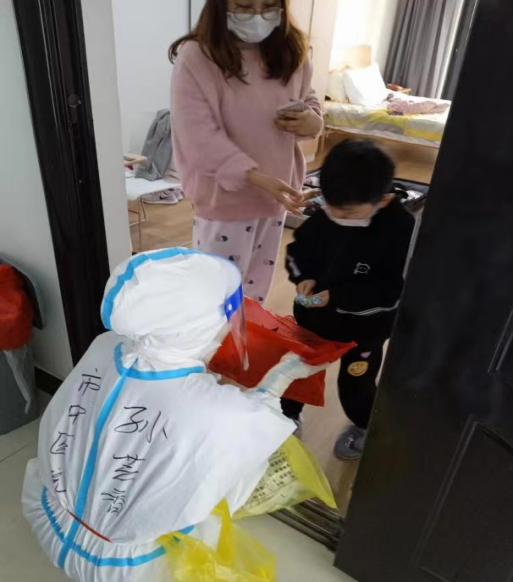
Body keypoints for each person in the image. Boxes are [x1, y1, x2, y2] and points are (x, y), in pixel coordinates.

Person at [22, 249, 297, 582]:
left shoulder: (106, 345)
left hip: (48, 517)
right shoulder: (222, 411)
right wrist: (273, 389)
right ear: (202, 324)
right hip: (128, 569)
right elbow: (243, 461)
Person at [170, 0, 323, 303]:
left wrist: (313, 121)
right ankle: (218, 335)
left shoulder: (291, 50)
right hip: (225, 199)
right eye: (244, 6)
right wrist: (258, 178)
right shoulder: (197, 56)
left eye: (269, 6)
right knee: (215, 294)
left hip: (276, 197)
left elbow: (309, 98)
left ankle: (245, 333)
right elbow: (197, 136)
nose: (258, 16)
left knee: (254, 294)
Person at [282, 140, 416, 460]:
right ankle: (287, 415)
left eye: (347, 213)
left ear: (383, 200)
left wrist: (339, 297)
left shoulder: (402, 229)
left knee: (357, 381)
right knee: (297, 369)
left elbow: (392, 291)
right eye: (329, 206)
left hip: (365, 328)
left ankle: (364, 426)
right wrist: (304, 277)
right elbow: (298, 250)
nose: (335, 216)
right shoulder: (332, 209)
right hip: (314, 320)